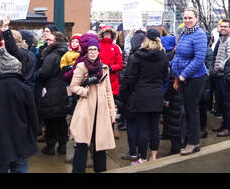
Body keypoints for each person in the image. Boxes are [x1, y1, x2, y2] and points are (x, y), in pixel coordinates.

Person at [0, 51, 40, 173]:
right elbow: (33, 117)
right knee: (21, 168)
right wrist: (32, 136)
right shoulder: (24, 89)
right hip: (22, 140)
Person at [67, 35, 116, 173]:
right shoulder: (81, 67)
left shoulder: (104, 68)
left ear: (98, 51)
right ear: (87, 51)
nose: (93, 52)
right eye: (90, 49)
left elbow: (109, 92)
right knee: (82, 145)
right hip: (85, 110)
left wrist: (112, 112)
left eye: (95, 49)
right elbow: (73, 87)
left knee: (100, 146)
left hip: (101, 112)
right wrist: (85, 91)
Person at [120, 29, 167, 163]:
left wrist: (125, 92)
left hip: (141, 95)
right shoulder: (163, 56)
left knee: (143, 129)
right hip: (157, 95)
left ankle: (141, 157)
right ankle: (153, 156)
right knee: (155, 128)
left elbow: (131, 77)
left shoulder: (137, 56)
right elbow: (165, 77)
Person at [170, 9, 209, 155]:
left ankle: (193, 142)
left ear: (196, 18)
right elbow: (178, 54)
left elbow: (199, 59)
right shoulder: (183, 33)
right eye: (185, 18)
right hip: (182, 77)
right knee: (185, 110)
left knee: (191, 110)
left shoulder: (199, 34)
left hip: (195, 77)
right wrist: (174, 71)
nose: (187, 20)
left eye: (190, 18)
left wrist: (183, 75)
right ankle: (187, 140)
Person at [36, 32, 70, 156]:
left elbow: (44, 73)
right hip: (62, 90)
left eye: (50, 40)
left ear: (56, 42)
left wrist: (38, 72)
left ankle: (50, 146)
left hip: (50, 90)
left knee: (50, 120)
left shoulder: (51, 56)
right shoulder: (66, 54)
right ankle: (62, 146)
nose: (47, 42)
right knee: (61, 119)